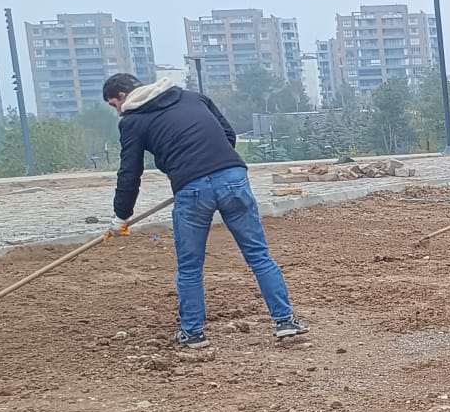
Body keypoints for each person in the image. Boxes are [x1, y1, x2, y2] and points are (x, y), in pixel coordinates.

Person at [105, 73, 308, 348]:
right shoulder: (192, 98)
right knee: (259, 254)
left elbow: (130, 171)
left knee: (190, 267)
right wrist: (215, 166)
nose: (117, 111)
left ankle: (193, 333)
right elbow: (228, 135)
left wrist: (121, 216)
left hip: (192, 189)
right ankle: (285, 321)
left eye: (113, 105)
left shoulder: (133, 121)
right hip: (233, 177)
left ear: (121, 96)